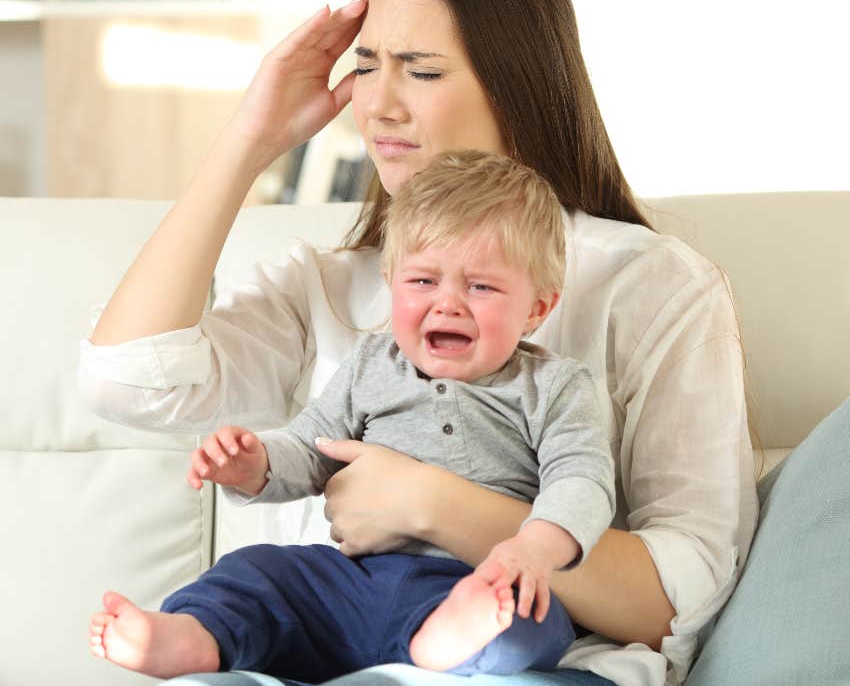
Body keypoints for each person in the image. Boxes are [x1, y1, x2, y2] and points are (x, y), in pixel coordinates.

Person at [78, 0, 758, 686]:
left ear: (517, 84)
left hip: (530, 664)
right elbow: (125, 381)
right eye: (366, 67)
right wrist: (250, 138)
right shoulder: (327, 285)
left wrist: (432, 502)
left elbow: (681, 596)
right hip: (320, 651)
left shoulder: (650, 283)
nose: (379, 106)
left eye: (422, 72)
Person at [88, 151, 616, 681]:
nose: (448, 304)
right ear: (391, 280)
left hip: (470, 579)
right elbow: (312, 447)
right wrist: (255, 464)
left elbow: (582, 480)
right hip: (350, 580)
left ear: (537, 308)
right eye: (423, 281)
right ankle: (192, 635)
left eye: (480, 286)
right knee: (257, 571)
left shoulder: (554, 386)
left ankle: (446, 642)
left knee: (533, 620)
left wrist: (534, 549)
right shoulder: (370, 364)